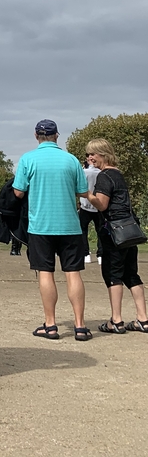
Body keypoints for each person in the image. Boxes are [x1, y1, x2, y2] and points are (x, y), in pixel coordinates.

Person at [13, 119, 91, 341]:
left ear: (36, 136)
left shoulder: (28, 159)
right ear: (57, 135)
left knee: (46, 273)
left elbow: (18, 192)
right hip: (69, 225)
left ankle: (51, 324)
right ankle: (80, 325)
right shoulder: (71, 160)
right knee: (73, 273)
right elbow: (82, 191)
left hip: (41, 225)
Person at [84, 138, 148, 334]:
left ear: (102, 154)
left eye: (92, 154)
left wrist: (86, 195)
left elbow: (102, 204)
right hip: (129, 229)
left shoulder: (104, 176)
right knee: (132, 274)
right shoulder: (118, 174)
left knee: (113, 274)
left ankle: (116, 321)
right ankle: (143, 319)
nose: (90, 158)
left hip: (113, 230)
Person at [79, 155, 103, 265]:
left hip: (85, 205)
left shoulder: (84, 172)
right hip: (98, 205)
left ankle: (86, 253)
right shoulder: (101, 173)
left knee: (83, 230)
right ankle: (101, 255)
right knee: (101, 231)